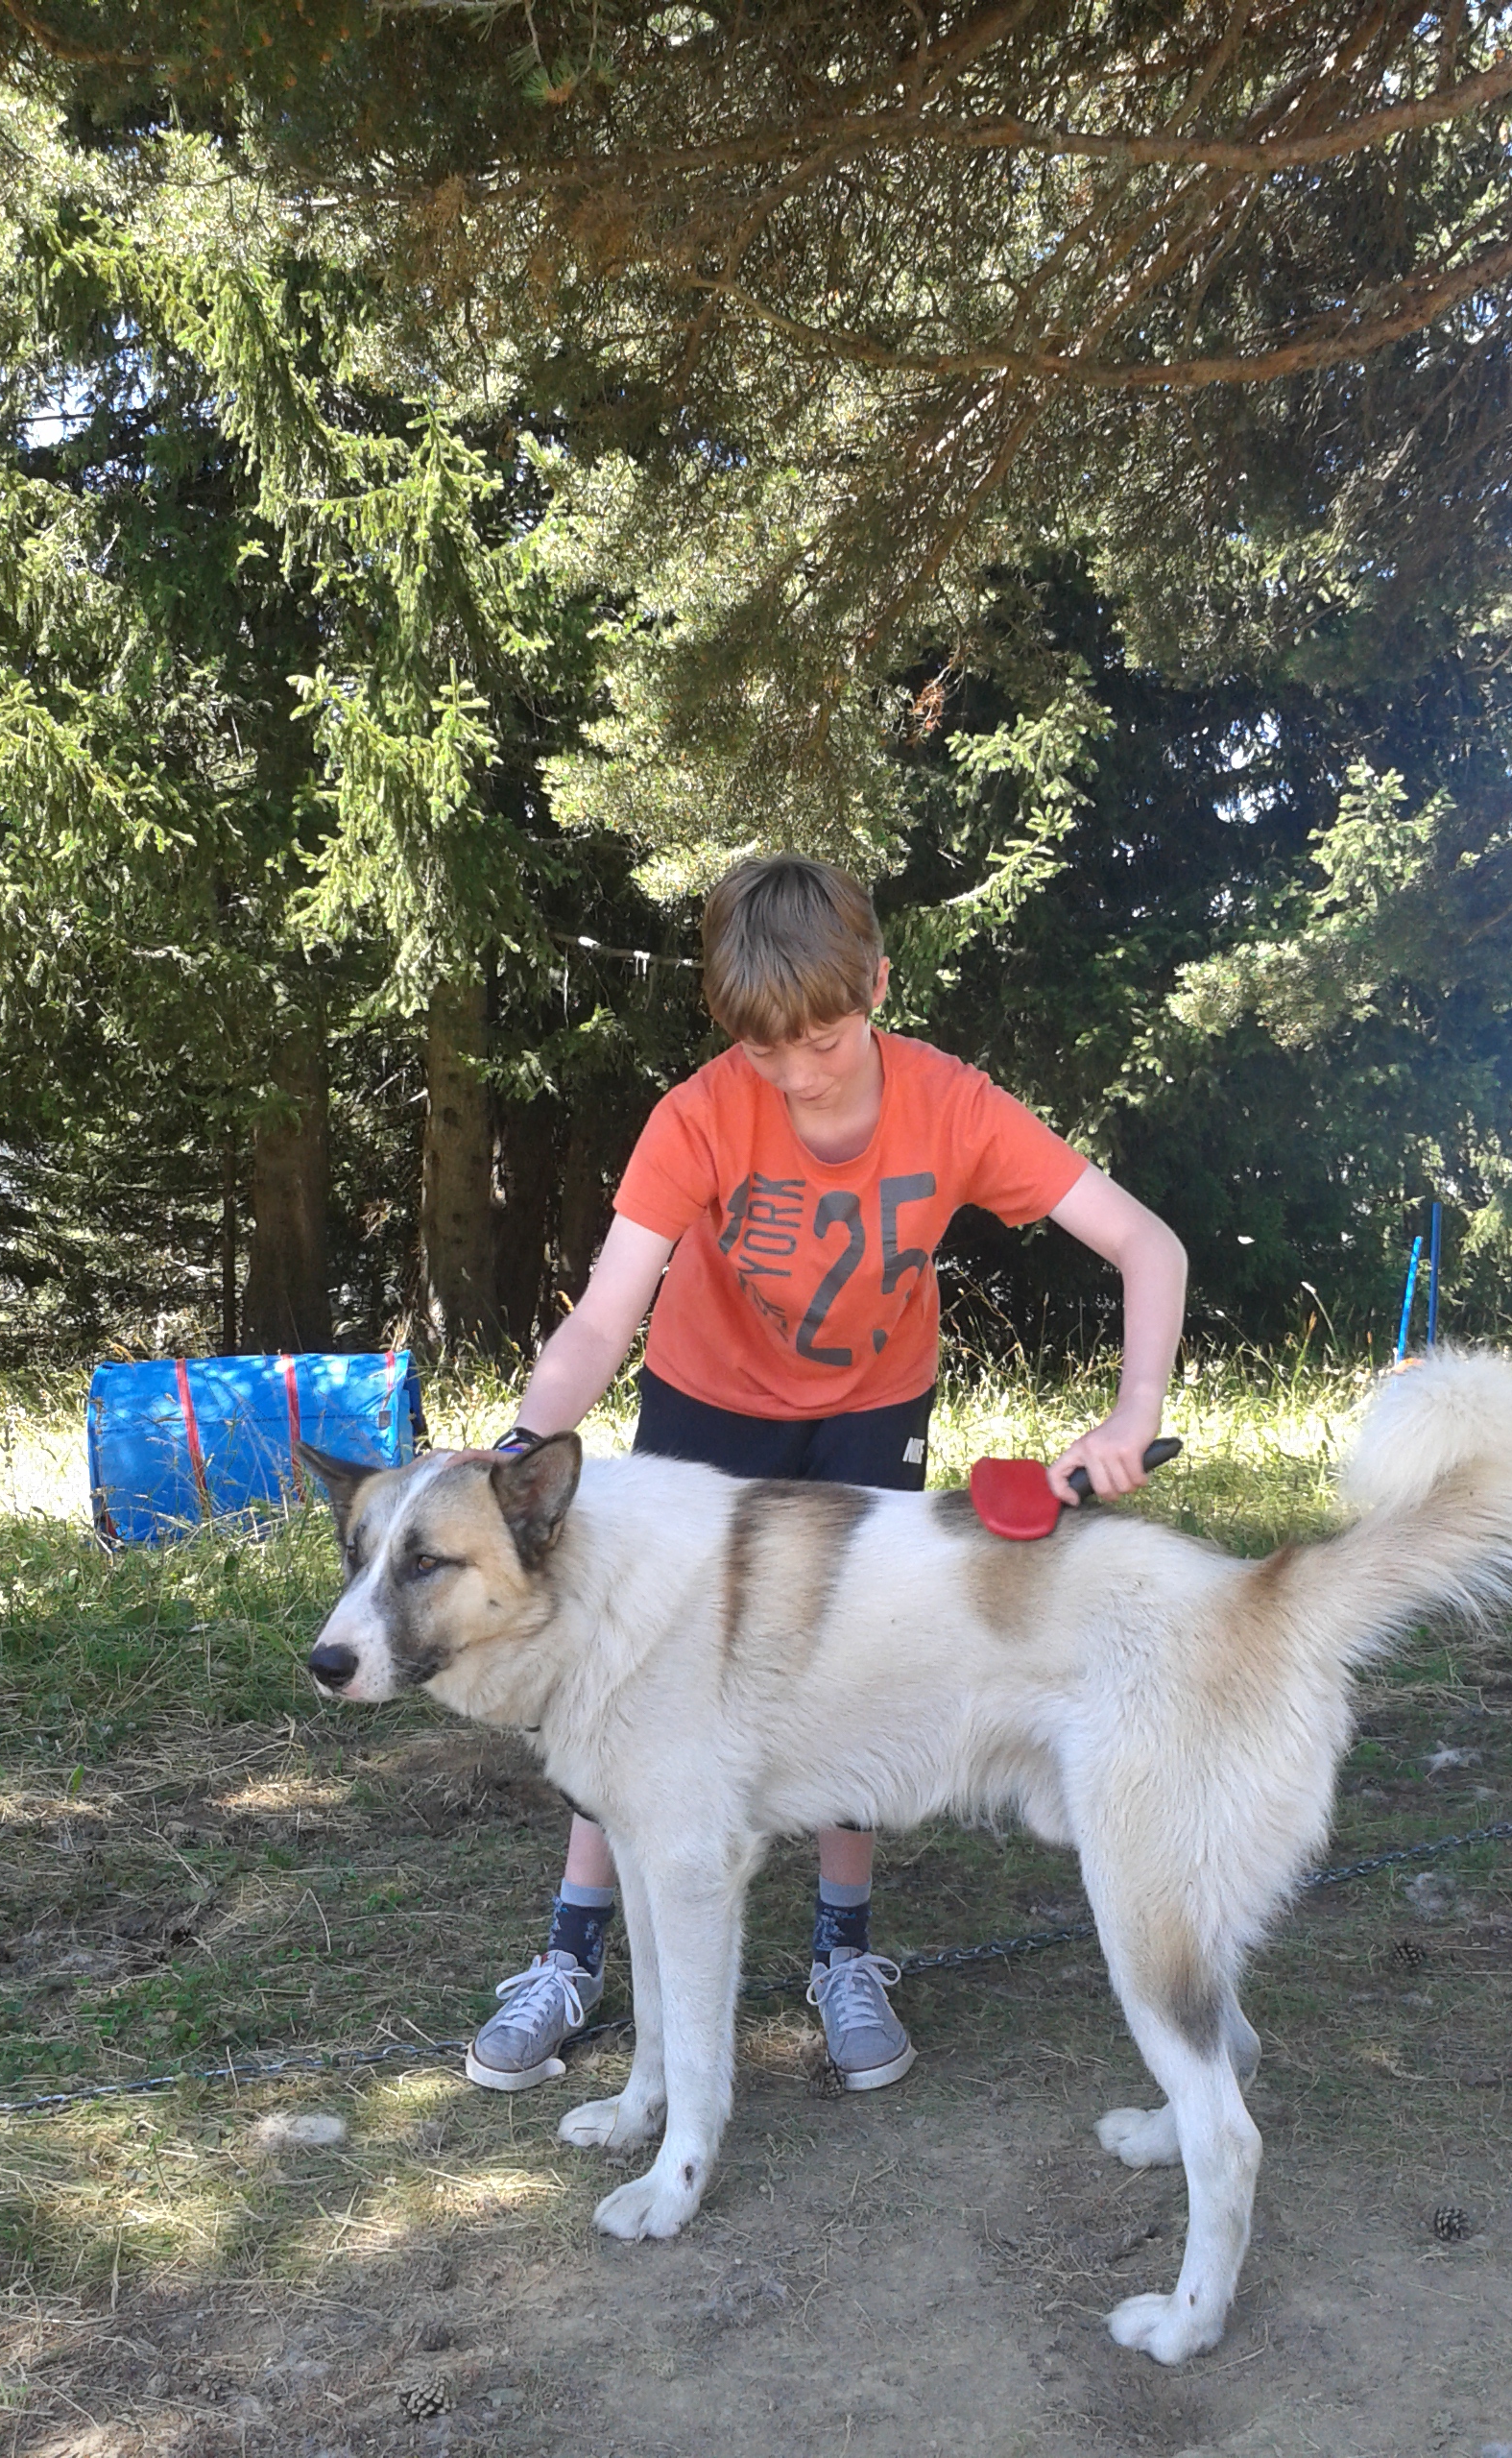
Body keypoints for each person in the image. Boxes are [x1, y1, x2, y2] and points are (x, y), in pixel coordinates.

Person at [464, 855, 1187, 2095]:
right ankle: (573, 1951)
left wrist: (1133, 1412)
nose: (798, 1073)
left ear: (878, 988)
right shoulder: (697, 1114)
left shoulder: (954, 1105)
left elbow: (1146, 1244)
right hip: (706, 1408)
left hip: (870, 1412)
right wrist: (523, 1446)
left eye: (824, 1039)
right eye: (765, 1049)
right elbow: (601, 1318)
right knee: (628, 1676)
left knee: (857, 1664)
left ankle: (844, 1952)